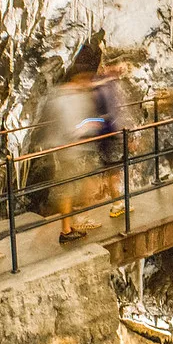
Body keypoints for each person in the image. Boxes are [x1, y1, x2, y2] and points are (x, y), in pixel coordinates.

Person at [44, 62, 101, 243]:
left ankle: (74, 221)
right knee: (71, 188)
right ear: (78, 78)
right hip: (71, 150)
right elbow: (73, 126)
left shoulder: (61, 96)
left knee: (77, 185)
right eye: (85, 79)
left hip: (69, 149)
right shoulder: (69, 98)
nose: (88, 83)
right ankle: (68, 228)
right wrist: (91, 125)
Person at [91, 60, 134, 218]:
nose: (122, 70)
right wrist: (126, 136)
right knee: (114, 171)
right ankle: (117, 204)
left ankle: (118, 202)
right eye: (120, 66)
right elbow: (114, 114)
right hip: (112, 134)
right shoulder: (107, 87)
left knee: (111, 170)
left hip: (102, 135)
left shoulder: (96, 85)